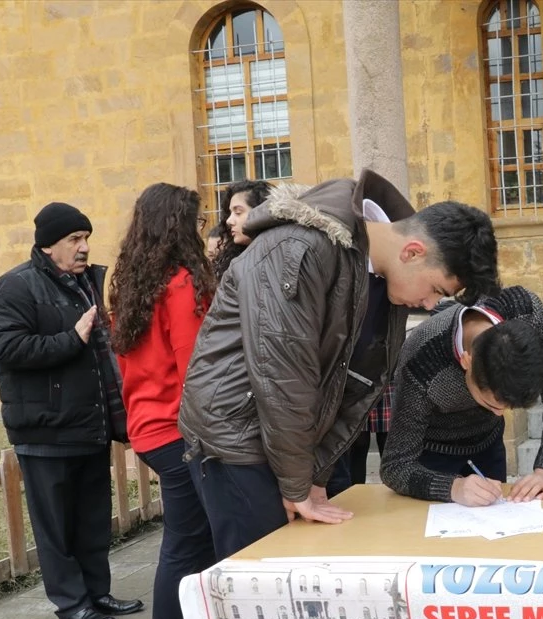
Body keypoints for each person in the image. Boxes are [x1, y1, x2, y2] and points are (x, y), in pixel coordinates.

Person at [179, 170, 500, 558]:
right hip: (235, 437)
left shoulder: (384, 280)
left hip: (282, 443)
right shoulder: (301, 248)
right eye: (436, 290)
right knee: (258, 576)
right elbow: (284, 376)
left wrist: (315, 475)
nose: (432, 306)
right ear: (412, 252)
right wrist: (299, 484)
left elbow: (356, 391)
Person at [0, 202, 143, 619]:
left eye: (86, 238)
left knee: (92, 519)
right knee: (56, 526)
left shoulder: (86, 283)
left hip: (88, 424)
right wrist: (71, 338)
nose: (84, 247)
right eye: (74, 239)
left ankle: (97, 592)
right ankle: (71, 603)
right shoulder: (15, 287)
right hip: (45, 430)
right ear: (48, 245)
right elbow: (8, 350)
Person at [109, 183, 218, 619]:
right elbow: (198, 369)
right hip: (180, 429)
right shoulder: (179, 284)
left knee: (190, 536)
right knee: (187, 538)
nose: (203, 230)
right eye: (196, 222)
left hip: (151, 427)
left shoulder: (133, 282)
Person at [380, 286, 543, 507]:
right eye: (489, 403)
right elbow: (395, 466)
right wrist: (451, 487)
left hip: (488, 445)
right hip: (431, 459)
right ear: (466, 362)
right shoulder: (420, 357)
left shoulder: (526, 311)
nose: (499, 413)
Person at [210, 179, 272, 280]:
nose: (229, 221)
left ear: (260, 211)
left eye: (238, 212)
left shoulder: (279, 255)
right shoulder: (232, 263)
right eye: (229, 213)